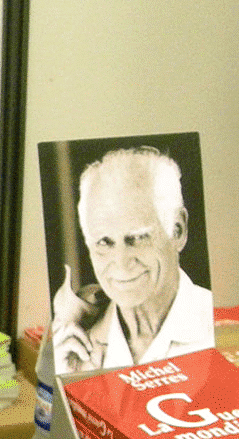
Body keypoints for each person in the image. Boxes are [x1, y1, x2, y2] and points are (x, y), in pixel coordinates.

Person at [51, 147, 214, 373]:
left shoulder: (218, 326)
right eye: (104, 242)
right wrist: (60, 377)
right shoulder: (73, 349)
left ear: (177, 230)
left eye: (137, 238)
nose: (121, 262)